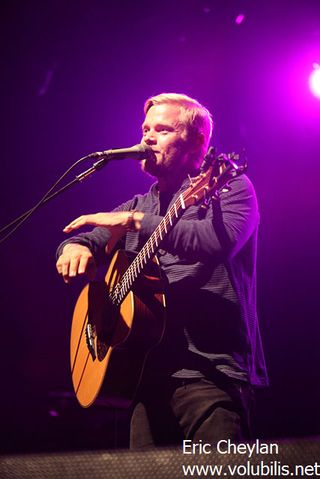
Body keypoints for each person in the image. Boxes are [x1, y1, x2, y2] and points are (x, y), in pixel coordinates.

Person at [56, 93, 268, 448]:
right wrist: (73, 247)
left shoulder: (228, 187)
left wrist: (136, 223)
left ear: (196, 142)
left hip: (212, 376)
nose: (147, 138)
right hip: (146, 378)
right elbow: (89, 237)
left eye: (163, 129)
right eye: (145, 129)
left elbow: (219, 242)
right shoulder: (137, 204)